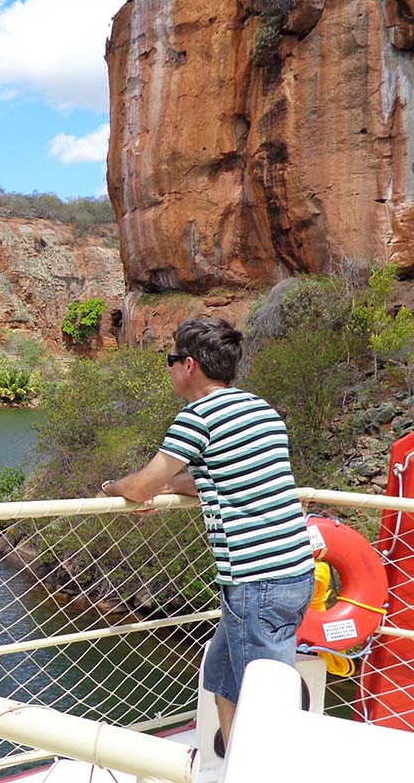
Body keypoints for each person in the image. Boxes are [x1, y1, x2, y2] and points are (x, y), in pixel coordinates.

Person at [99, 317, 314, 751]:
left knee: (263, 702)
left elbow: (139, 488)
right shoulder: (260, 409)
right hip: (296, 571)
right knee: (221, 674)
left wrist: (113, 488)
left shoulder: (197, 417)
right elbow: (215, 478)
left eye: (171, 360)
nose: (170, 368)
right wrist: (164, 485)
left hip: (256, 584)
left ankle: (261, 769)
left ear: (190, 365)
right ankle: (235, 762)